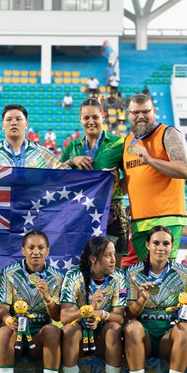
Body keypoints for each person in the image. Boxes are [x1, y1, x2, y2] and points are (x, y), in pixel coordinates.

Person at [124, 227, 187, 373]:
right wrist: (141, 300)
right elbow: (129, 313)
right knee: (131, 327)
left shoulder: (183, 274)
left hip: (167, 338)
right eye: (156, 243)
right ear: (147, 245)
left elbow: (186, 308)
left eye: (165, 243)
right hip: (143, 336)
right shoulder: (132, 273)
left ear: (172, 246)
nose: (160, 248)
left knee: (186, 329)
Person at [0, 230, 64, 373]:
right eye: (31, 247)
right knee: (3, 332)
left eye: (41, 247)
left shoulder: (57, 277)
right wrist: (8, 320)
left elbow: (58, 316)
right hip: (15, 333)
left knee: (52, 330)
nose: (36, 252)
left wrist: (48, 298)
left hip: (37, 336)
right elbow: (1, 307)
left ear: (47, 251)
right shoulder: (9, 273)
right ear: (23, 250)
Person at [123, 93, 187, 261]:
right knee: (144, 276)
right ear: (128, 114)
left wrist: (150, 160)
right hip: (139, 221)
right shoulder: (127, 142)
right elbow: (131, 181)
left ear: (154, 111)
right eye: (135, 113)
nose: (140, 116)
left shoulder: (168, 133)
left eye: (145, 112)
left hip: (166, 216)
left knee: (163, 272)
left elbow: (184, 170)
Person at [60, 236, 127, 373]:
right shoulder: (73, 276)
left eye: (114, 255)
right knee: (69, 329)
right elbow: (64, 317)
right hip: (80, 340)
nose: (113, 260)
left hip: (101, 341)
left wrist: (101, 314)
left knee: (113, 328)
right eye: (107, 255)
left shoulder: (119, 277)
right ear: (93, 259)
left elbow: (119, 317)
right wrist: (87, 310)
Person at [61, 98, 127, 265]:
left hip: (113, 216)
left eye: (95, 117)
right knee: (82, 264)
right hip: (80, 215)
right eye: (86, 118)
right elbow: (57, 175)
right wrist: (72, 161)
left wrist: (113, 189)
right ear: (80, 119)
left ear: (103, 117)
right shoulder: (72, 147)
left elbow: (131, 177)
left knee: (114, 267)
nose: (91, 122)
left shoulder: (119, 144)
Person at [0, 104, 66, 169]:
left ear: (26, 125)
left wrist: (72, 160)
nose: (14, 123)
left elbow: (64, 173)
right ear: (2, 126)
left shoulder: (41, 153)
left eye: (18, 119)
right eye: (9, 119)